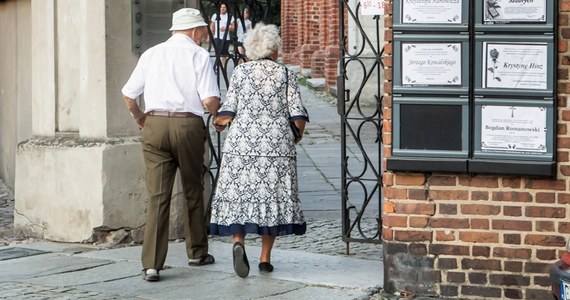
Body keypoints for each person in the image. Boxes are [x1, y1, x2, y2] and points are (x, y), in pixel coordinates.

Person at [121, 8, 221, 282]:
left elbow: (129, 94)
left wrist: (139, 117)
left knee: (158, 195)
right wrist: (218, 114)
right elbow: (210, 99)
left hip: (154, 124)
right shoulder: (198, 54)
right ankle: (197, 252)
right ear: (192, 31)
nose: (203, 35)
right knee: (192, 189)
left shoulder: (151, 53)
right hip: (187, 125)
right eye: (201, 30)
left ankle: (152, 264)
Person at [210, 23, 309, 278]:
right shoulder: (285, 74)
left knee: (239, 196)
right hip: (276, 145)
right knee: (272, 199)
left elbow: (228, 110)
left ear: (251, 49)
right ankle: (265, 259)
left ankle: (238, 243)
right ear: (274, 48)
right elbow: (297, 113)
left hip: (242, 145)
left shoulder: (240, 73)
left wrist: (218, 122)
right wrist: (295, 135)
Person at [210, 2, 235, 68]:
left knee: (224, 54)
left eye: (224, 7)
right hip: (217, 37)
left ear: (226, 8)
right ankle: (218, 65)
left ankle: (223, 66)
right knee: (217, 52)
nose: (222, 8)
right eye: (221, 7)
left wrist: (226, 28)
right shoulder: (215, 15)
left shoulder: (230, 16)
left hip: (226, 37)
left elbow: (233, 27)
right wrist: (210, 36)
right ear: (219, 8)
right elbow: (212, 26)